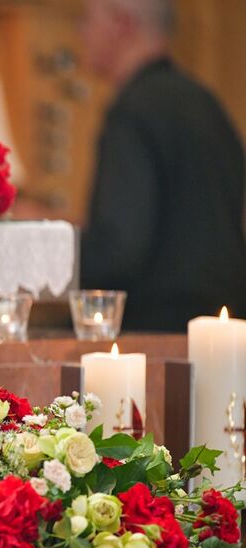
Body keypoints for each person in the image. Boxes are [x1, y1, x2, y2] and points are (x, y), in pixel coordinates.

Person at [79, 0, 246, 331]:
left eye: (86, 19)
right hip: (225, 322)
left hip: (156, 328)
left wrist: (51, 258)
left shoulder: (133, 111)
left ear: (121, 25)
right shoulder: (205, 102)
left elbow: (120, 249)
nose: (81, 33)